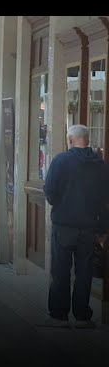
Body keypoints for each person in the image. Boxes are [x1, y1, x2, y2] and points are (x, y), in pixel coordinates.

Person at [43, 124, 109, 328]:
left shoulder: (61, 160)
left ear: (70, 139)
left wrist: (60, 204)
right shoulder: (101, 165)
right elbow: (106, 200)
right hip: (89, 227)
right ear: (87, 140)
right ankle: (82, 315)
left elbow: (50, 191)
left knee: (61, 270)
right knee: (84, 272)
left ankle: (59, 315)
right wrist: (102, 229)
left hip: (64, 224)